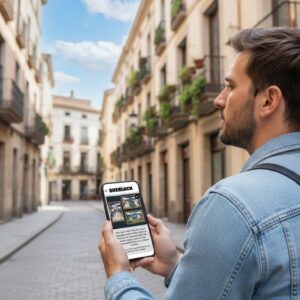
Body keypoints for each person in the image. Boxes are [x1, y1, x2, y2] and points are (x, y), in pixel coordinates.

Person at [99, 27, 300, 299]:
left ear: (268, 100)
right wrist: (175, 267)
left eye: (230, 86)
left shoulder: (233, 205)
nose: (219, 100)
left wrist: (118, 276)